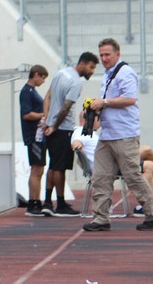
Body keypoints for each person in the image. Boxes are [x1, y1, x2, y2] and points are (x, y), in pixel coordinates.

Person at [83, 38, 153, 231]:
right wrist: (96, 107)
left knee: (132, 176)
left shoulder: (125, 72)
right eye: (101, 55)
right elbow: (112, 101)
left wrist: (104, 102)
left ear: (117, 54)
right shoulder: (108, 74)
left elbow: (130, 98)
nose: (104, 58)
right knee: (100, 177)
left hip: (124, 134)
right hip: (107, 134)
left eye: (107, 54)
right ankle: (101, 218)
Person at [71, 123, 153, 216]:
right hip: (107, 167)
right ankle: (149, 206)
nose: (101, 121)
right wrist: (77, 146)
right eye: (99, 118)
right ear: (93, 118)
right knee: (150, 164)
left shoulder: (90, 132)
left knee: (150, 161)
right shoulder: (81, 131)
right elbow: (76, 142)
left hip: (112, 162)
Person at [41, 53, 99, 217]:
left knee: (53, 165)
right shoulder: (76, 82)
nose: (92, 71)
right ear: (82, 64)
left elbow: (48, 96)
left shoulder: (61, 72)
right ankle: (60, 204)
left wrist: (46, 120)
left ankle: (47, 202)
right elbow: (65, 108)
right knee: (60, 167)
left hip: (52, 126)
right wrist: (54, 126)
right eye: (91, 67)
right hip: (63, 128)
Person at [20, 65, 50, 217]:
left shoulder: (32, 91)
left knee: (39, 169)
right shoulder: (27, 92)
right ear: (36, 74)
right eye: (43, 78)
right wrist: (44, 115)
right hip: (34, 136)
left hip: (38, 135)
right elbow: (26, 114)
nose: (43, 81)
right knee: (36, 169)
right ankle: (33, 203)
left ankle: (36, 200)